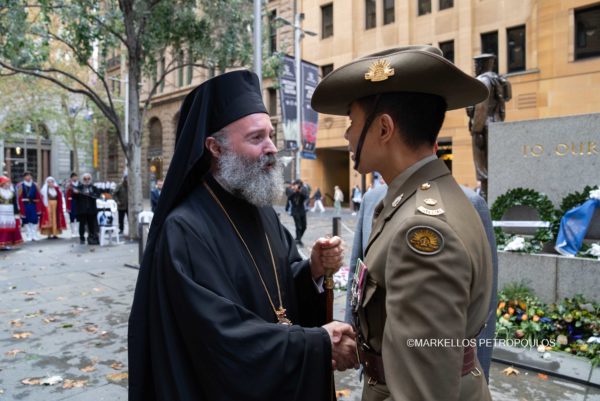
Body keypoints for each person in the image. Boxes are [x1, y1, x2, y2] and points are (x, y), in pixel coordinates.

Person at [128, 70, 357, 401]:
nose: (272, 148)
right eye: (256, 138)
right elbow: (218, 338)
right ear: (215, 148)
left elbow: (280, 290)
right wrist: (318, 343)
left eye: (271, 134)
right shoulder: (184, 230)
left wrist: (312, 270)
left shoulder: (260, 208)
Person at [312, 45, 493, 401]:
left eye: (352, 122)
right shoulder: (419, 200)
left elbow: (421, 392)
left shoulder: (422, 230)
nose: (347, 135)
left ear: (384, 128)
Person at [345, 181, 499, 382]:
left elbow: (486, 296)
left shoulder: (468, 202)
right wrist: (352, 338)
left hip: (440, 375)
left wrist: (481, 372)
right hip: (378, 374)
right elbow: (357, 275)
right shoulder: (372, 199)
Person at [467, 53, 511, 200]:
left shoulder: (483, 81)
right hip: (497, 125)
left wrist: (477, 131)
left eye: (476, 64)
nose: (475, 67)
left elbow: (481, 108)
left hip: (484, 126)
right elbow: (508, 97)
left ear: (481, 65)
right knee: (494, 163)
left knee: (483, 165)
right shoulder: (498, 80)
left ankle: (486, 195)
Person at [72, 173, 100, 245]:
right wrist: (75, 193)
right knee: (82, 224)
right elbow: (74, 197)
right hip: (82, 210)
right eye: (85, 179)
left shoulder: (93, 187)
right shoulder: (79, 187)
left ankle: (91, 237)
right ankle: (82, 238)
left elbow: (98, 195)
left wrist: (91, 194)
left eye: (88, 179)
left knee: (91, 224)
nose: (87, 180)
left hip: (91, 209)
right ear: (82, 180)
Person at [16, 172, 42, 241]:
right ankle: (29, 235)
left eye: (30, 176)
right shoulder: (20, 185)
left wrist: (38, 203)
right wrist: (19, 206)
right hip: (25, 205)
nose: (28, 177)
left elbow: (38, 196)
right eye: (27, 176)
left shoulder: (35, 185)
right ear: (24, 177)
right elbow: (18, 197)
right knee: (26, 220)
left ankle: (34, 234)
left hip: (33, 205)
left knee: (34, 219)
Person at [0, 176, 23, 249]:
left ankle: (6, 243)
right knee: (2, 228)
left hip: (10, 211)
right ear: (2, 183)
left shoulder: (12, 192)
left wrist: (16, 213)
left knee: (9, 228)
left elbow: (15, 203)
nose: (9, 184)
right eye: (7, 183)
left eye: (9, 183)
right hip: (1, 211)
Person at [287, 179, 308, 246]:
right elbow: (289, 198)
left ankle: (298, 239)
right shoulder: (291, 190)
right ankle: (299, 240)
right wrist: (294, 191)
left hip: (302, 211)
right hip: (295, 211)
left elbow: (305, 197)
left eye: (298, 185)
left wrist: (299, 191)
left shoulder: (302, 190)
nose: (297, 186)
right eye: (296, 184)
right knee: (298, 226)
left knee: (304, 226)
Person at [65, 172, 80, 238]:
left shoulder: (80, 185)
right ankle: (73, 232)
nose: (75, 178)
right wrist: (67, 207)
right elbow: (67, 196)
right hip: (72, 203)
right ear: (71, 178)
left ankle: (78, 232)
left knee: (78, 218)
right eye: (73, 177)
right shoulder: (69, 186)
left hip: (79, 203)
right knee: (72, 217)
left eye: (75, 176)